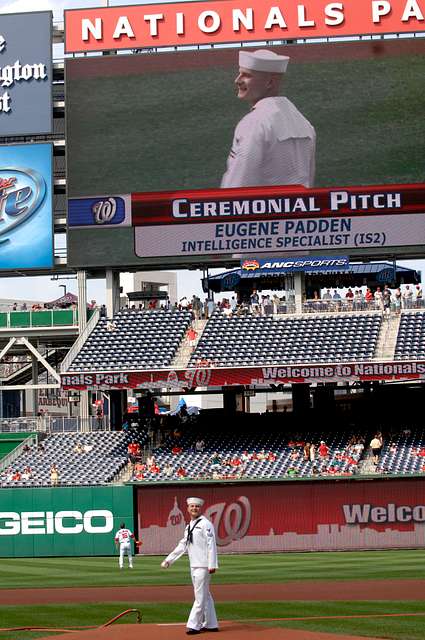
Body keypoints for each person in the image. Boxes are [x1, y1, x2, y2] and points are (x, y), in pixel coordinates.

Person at [221, 49, 315, 189]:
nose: (237, 80)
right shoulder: (304, 124)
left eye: (246, 75)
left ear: (269, 83)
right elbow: (309, 179)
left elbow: (237, 183)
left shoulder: (255, 123)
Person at [161, 497, 218, 634]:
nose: (194, 509)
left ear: (200, 508)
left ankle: (194, 625)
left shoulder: (206, 524)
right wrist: (169, 560)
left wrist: (212, 564)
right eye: (192, 506)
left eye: (196, 507)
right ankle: (211, 624)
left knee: (199, 596)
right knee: (205, 595)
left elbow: (212, 545)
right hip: (194, 565)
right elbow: (183, 545)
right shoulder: (189, 526)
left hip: (203, 565)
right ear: (188, 509)